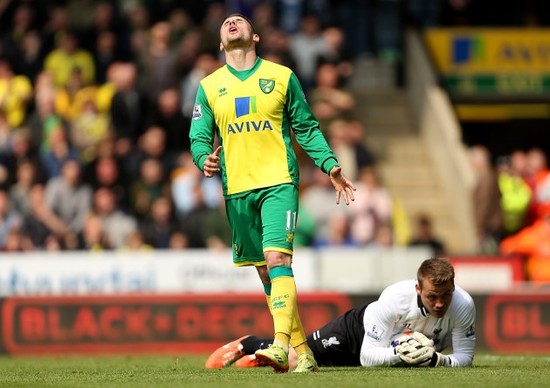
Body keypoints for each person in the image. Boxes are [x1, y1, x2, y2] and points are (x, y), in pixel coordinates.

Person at [189, 14, 356, 374]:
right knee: (267, 273)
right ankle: (304, 353)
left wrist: (329, 165)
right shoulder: (209, 86)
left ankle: (280, 345)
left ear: (256, 37)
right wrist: (204, 158)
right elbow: (199, 135)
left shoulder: (282, 78)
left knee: (278, 259)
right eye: (227, 22)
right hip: (236, 190)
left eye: (240, 20)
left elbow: (306, 127)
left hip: (278, 181)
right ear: (221, 43)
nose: (232, 21)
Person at [205, 257, 476, 370]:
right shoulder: (395, 298)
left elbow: (465, 357)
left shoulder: (463, 305)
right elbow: (368, 357)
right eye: (432, 296)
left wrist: (436, 360)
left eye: (446, 295)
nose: (440, 304)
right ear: (418, 288)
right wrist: (400, 355)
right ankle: (249, 344)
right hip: (356, 332)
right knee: (297, 358)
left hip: (388, 348)